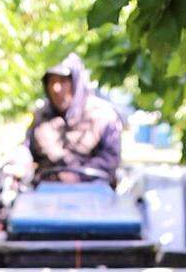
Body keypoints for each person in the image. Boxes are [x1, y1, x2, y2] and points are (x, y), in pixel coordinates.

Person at [22, 54, 122, 187]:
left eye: (63, 81)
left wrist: (77, 176)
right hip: (46, 193)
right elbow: (26, 149)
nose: (56, 89)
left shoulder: (102, 115)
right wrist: (19, 162)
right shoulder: (40, 117)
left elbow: (110, 158)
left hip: (93, 193)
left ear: (76, 83)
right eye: (51, 82)